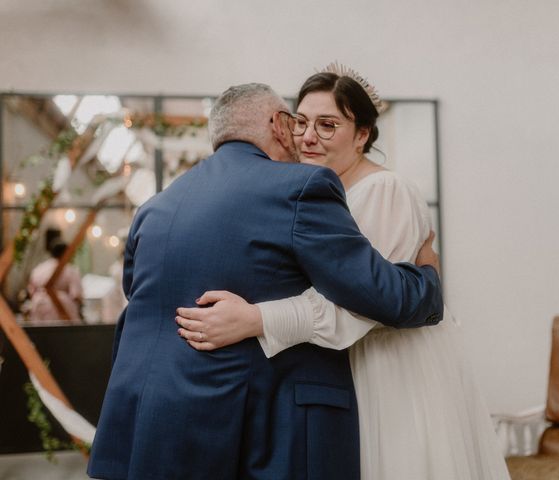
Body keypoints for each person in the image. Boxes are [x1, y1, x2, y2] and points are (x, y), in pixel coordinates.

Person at [88, 83, 443, 480]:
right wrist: (427, 277)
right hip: (252, 427)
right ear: (278, 124)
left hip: (150, 422)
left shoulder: (155, 208)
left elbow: (137, 295)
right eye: (296, 122)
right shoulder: (299, 189)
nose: (302, 137)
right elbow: (381, 295)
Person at [176, 68, 511, 479]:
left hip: (388, 368)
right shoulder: (314, 195)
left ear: (362, 135)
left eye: (328, 125)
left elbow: (366, 302)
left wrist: (255, 320)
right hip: (338, 365)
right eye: (301, 122)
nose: (308, 137)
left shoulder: (385, 191)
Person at [27, 230, 83, 322]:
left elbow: (31, 290)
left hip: (38, 305)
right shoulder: (70, 270)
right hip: (62, 308)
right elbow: (76, 294)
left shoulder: (39, 268)